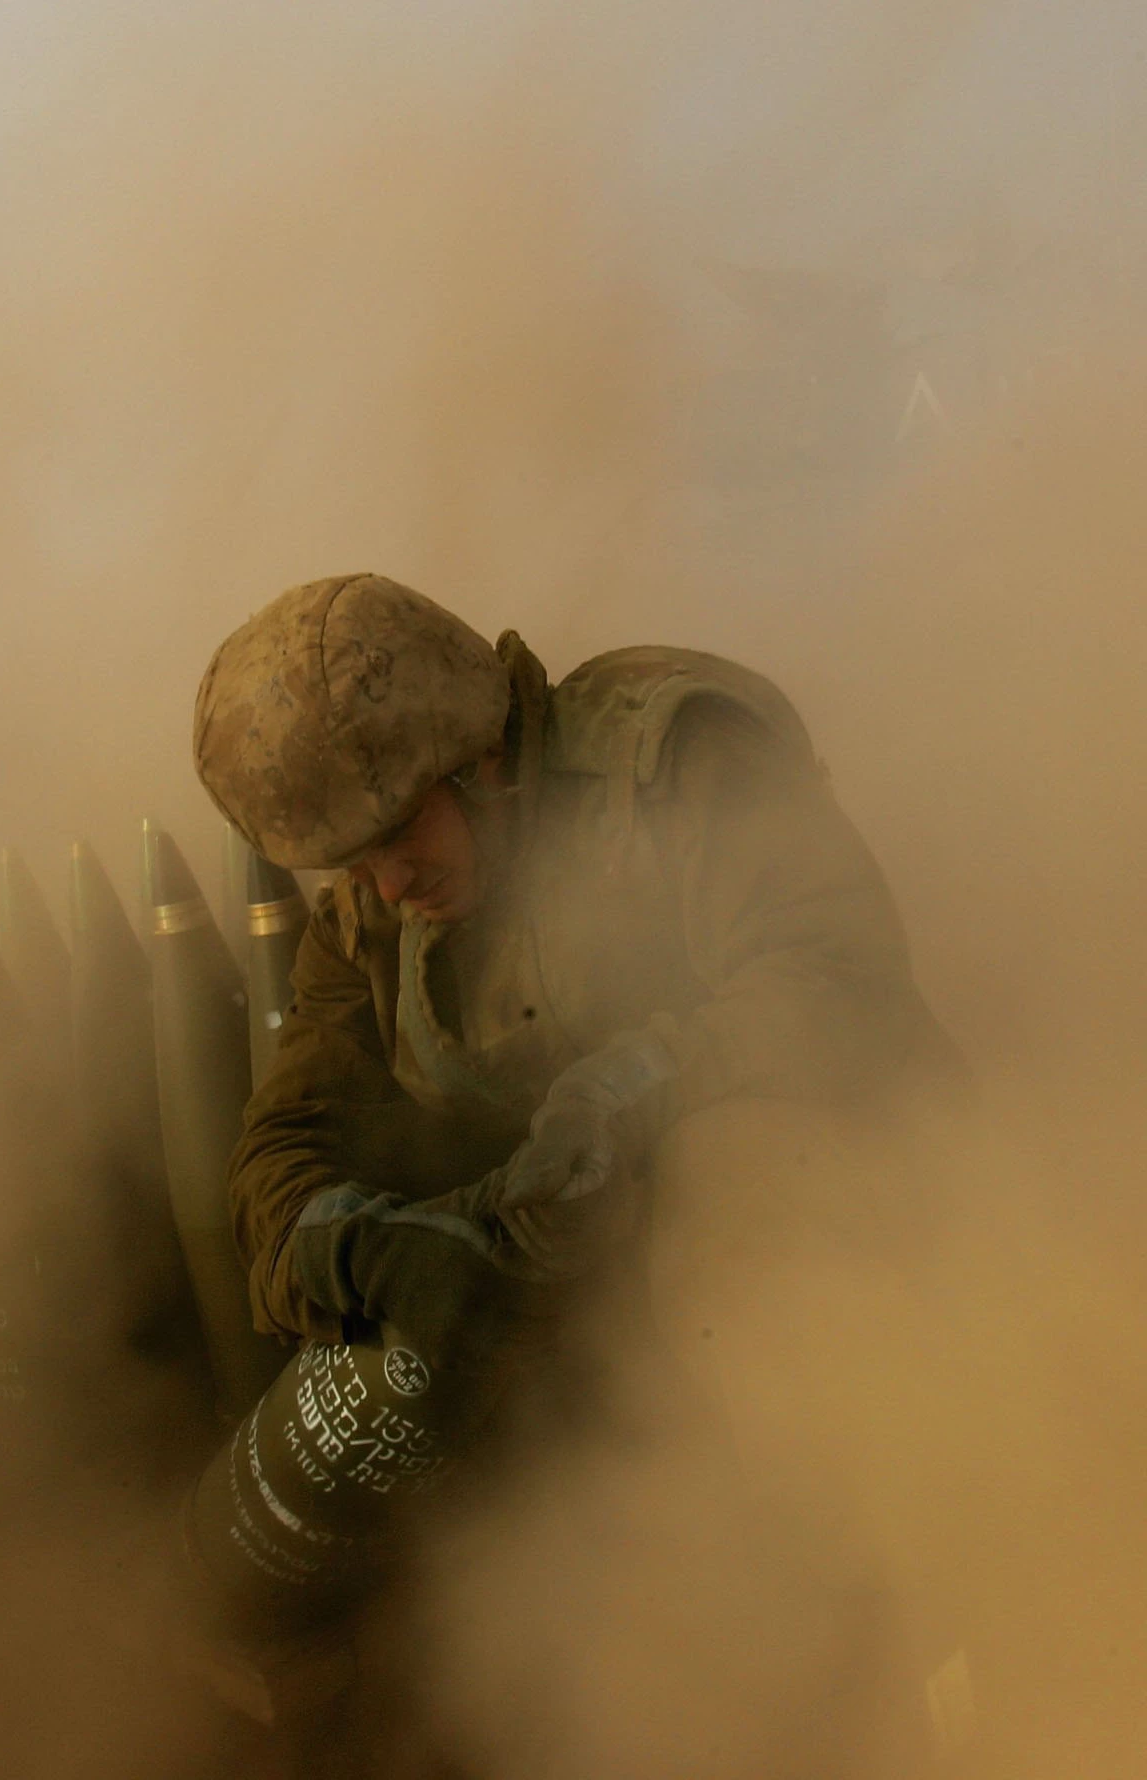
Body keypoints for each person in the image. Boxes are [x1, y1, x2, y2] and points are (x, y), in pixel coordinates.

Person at [170, 572, 952, 1771]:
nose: (386, 885)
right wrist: (342, 1237)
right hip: (600, 1358)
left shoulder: (677, 758)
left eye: (395, 838)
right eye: (349, 865)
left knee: (746, 1167)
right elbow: (280, 1146)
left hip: (854, 1298)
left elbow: (836, 985)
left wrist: (637, 1084)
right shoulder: (373, 926)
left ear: (473, 754)